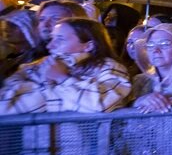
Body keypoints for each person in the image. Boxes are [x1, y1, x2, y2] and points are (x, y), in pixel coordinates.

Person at [0, 17, 131, 114]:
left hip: (79, 147)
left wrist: (63, 78)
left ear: (88, 45)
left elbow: (102, 103)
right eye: (52, 38)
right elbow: (7, 94)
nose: (50, 45)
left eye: (60, 39)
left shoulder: (109, 67)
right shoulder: (40, 65)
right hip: (35, 144)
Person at [0, 9, 40, 86]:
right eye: (5, 24)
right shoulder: (3, 51)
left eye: (13, 25)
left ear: (28, 29)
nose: (6, 29)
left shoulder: (37, 60)